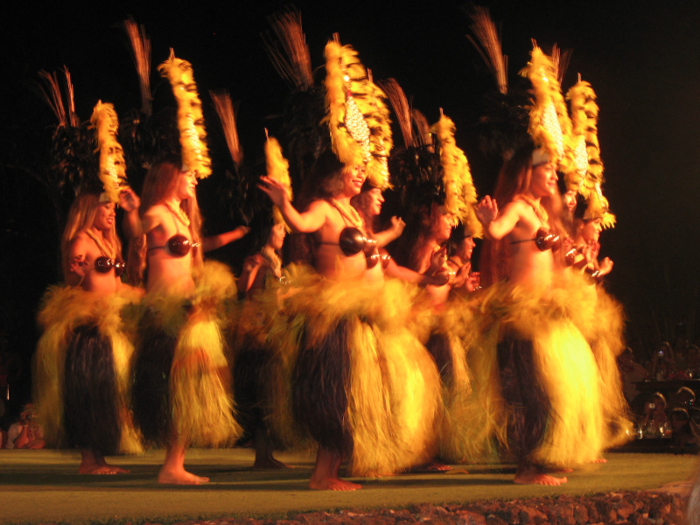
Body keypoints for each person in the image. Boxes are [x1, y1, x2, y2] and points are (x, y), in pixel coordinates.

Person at [476, 143, 606, 485]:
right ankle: (527, 468)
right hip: (524, 313)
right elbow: (497, 231)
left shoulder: (542, 214)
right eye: (546, 169)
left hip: (546, 312)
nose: (553, 175)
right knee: (530, 390)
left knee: (556, 387)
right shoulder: (518, 206)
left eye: (553, 169)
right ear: (526, 173)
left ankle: (544, 457)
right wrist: (489, 223)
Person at [131, 158, 244, 484]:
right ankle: (171, 465)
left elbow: (198, 254)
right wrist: (130, 212)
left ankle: (174, 463)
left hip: (188, 310)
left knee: (191, 387)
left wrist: (235, 235)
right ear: (169, 178)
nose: (194, 179)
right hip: (165, 311)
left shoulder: (184, 219)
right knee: (174, 388)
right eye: (188, 175)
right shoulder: (158, 213)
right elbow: (138, 227)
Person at [34, 187, 143, 474]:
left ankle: (99, 460)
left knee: (107, 392)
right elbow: (72, 274)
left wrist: (147, 294)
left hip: (108, 327)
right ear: (89, 209)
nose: (111, 212)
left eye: (113, 209)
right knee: (89, 392)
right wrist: (76, 273)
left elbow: (117, 287)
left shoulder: (108, 244)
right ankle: (87, 462)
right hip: (88, 327)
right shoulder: (81, 240)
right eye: (105, 207)